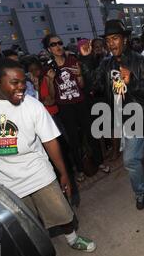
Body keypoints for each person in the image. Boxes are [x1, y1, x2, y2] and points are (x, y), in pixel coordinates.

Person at [0, 58, 96, 252]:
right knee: (24, 225)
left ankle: (72, 238)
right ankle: (39, 252)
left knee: (63, 213)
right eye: (14, 83)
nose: (22, 87)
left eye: (23, 81)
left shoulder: (32, 105)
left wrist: (63, 173)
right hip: (2, 182)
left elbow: (50, 141)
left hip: (39, 174)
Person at [79, 19, 144, 210]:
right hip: (123, 117)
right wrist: (88, 60)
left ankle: (143, 190)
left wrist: (130, 81)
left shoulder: (139, 60)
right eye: (108, 40)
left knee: (134, 158)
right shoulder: (106, 64)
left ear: (125, 39)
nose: (111, 43)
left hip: (142, 114)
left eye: (115, 38)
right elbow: (94, 87)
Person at [42, 34, 109, 182]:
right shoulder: (48, 68)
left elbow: (82, 85)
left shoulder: (73, 61)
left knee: (91, 134)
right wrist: (50, 79)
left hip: (81, 103)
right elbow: (52, 98)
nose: (58, 46)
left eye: (60, 42)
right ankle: (79, 170)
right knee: (74, 140)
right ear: (49, 49)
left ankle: (100, 162)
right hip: (65, 108)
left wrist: (79, 76)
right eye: (54, 44)